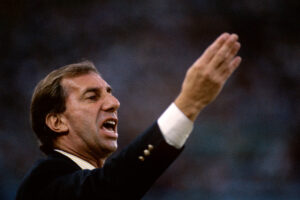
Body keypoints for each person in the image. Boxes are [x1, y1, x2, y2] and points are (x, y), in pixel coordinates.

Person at [16, 33, 241, 200]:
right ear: (57, 122)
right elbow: (108, 187)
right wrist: (188, 104)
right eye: (92, 97)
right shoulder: (43, 183)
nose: (114, 103)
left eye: (110, 94)